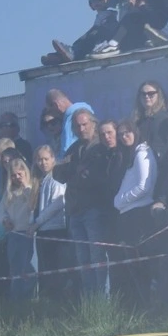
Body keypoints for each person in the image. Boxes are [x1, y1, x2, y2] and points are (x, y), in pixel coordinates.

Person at [53, 109, 119, 298]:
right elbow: (57, 172)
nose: (81, 129)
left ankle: (102, 301)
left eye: (84, 124)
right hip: (75, 209)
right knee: (83, 259)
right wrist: (76, 171)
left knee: (98, 256)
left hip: (94, 209)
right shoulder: (75, 148)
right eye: (77, 125)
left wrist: (74, 174)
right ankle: (90, 301)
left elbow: (96, 178)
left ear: (93, 123)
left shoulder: (101, 147)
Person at [112, 119, 158, 301]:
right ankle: (143, 302)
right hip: (128, 214)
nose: (124, 137)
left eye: (127, 132)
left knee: (141, 263)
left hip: (138, 214)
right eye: (121, 134)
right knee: (133, 264)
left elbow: (144, 186)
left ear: (135, 132)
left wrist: (119, 200)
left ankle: (150, 303)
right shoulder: (130, 155)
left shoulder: (142, 153)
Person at [31, 145, 68, 298]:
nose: (43, 163)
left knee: (55, 267)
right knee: (44, 267)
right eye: (39, 159)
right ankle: (47, 298)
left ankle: (56, 298)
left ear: (53, 159)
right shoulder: (42, 180)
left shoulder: (57, 178)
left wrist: (37, 222)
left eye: (46, 159)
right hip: (43, 229)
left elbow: (57, 204)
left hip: (55, 228)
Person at [0, 158, 38, 300]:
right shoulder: (9, 193)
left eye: (19, 174)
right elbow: (1, 210)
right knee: (14, 266)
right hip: (13, 233)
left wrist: (26, 186)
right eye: (13, 176)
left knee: (26, 266)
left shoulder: (31, 189)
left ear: (25, 173)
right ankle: (16, 297)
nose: (16, 178)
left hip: (27, 233)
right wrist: (5, 220)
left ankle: (29, 296)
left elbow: (33, 206)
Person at [49, 0, 119, 64]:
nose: (97, 2)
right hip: (96, 40)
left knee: (89, 37)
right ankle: (63, 56)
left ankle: (72, 53)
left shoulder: (111, 14)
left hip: (103, 42)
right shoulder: (99, 17)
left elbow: (108, 29)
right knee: (83, 39)